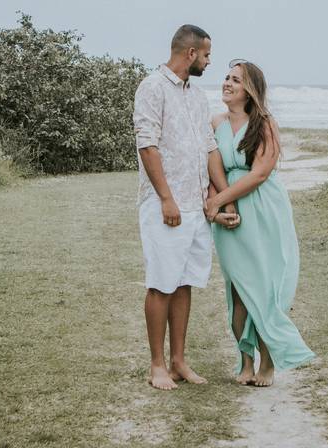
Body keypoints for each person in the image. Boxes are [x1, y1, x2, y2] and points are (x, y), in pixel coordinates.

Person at [132, 25, 240, 391]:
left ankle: (178, 361)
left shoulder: (196, 96)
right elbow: (148, 145)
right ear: (191, 53)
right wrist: (166, 198)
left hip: (196, 205)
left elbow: (209, 149)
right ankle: (157, 365)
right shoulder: (151, 88)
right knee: (161, 283)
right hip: (166, 204)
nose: (210, 62)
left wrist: (225, 197)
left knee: (184, 284)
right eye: (207, 55)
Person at [206, 59, 315, 387]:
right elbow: (211, 169)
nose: (227, 83)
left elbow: (260, 173)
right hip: (230, 211)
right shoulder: (214, 123)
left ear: (250, 90)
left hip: (264, 209)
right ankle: (245, 361)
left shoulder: (265, 124)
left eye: (235, 80)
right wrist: (218, 202)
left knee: (267, 287)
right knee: (238, 290)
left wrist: (218, 199)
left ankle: (268, 361)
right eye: (226, 77)